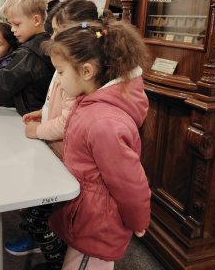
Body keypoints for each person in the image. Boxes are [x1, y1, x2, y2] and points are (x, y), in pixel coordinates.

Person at [5, 0, 109, 269]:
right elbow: (56, 100)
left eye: (57, 33)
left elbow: (69, 119)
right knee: (39, 212)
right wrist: (43, 113)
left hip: (65, 158)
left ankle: (57, 259)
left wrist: (38, 130)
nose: (51, 39)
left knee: (44, 216)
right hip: (54, 151)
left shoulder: (81, 75)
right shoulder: (66, 63)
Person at [43, 18, 151, 269]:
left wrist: (139, 221)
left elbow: (130, 183)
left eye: (60, 72)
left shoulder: (103, 122)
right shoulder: (89, 103)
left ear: (87, 71)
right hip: (87, 215)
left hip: (97, 225)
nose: (57, 80)